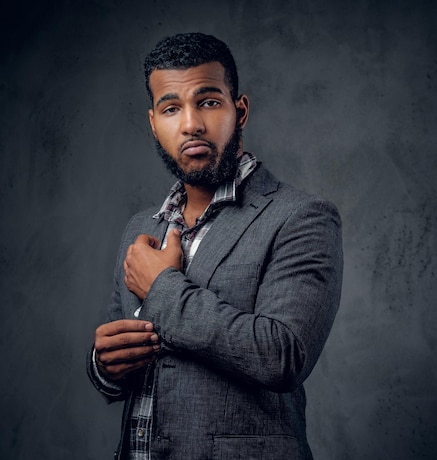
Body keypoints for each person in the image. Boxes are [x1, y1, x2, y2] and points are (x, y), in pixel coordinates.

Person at [87, 32, 343, 460]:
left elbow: (283, 356)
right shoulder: (141, 228)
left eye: (208, 101)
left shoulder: (301, 216)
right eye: (172, 108)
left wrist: (162, 286)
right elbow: (129, 362)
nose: (191, 124)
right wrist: (104, 368)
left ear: (239, 110)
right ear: (154, 122)